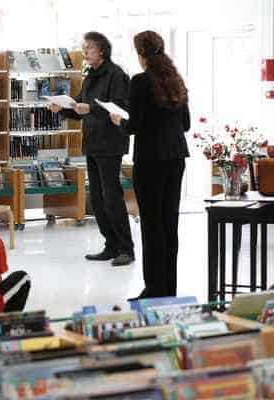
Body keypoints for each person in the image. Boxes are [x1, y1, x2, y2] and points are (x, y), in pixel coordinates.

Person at [108, 31, 190, 299]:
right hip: (176, 158)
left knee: (152, 226)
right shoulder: (175, 80)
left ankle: (154, 290)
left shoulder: (141, 81)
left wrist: (119, 121)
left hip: (151, 161)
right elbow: (185, 124)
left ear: (141, 53)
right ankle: (169, 288)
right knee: (169, 225)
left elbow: (136, 125)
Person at [49, 31, 134, 266]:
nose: (85, 52)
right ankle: (111, 245)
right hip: (93, 143)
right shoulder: (90, 76)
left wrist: (91, 110)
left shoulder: (117, 75)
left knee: (112, 198)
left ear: (102, 51)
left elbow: (121, 108)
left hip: (110, 143)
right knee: (96, 199)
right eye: (84, 48)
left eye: (89, 49)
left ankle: (126, 248)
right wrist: (62, 109)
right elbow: (79, 106)